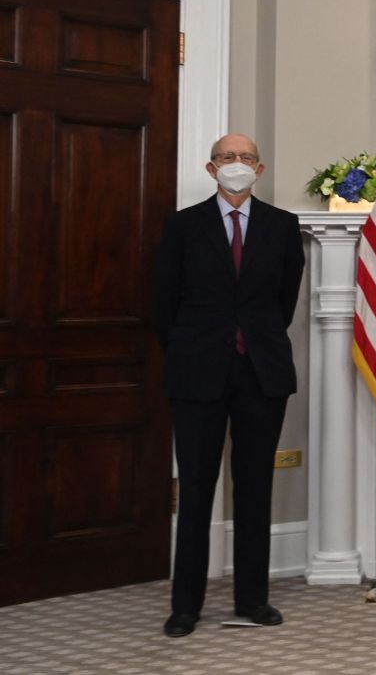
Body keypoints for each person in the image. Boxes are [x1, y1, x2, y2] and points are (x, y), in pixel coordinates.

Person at [152, 133, 305, 637]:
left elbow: (284, 301)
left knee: (256, 486)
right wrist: (191, 348)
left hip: (261, 372)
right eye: (226, 157)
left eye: (245, 158)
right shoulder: (183, 226)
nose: (236, 164)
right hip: (197, 372)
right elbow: (164, 304)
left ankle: (252, 599)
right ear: (210, 167)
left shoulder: (283, 227)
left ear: (259, 169)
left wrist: (250, 339)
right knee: (196, 489)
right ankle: (186, 606)